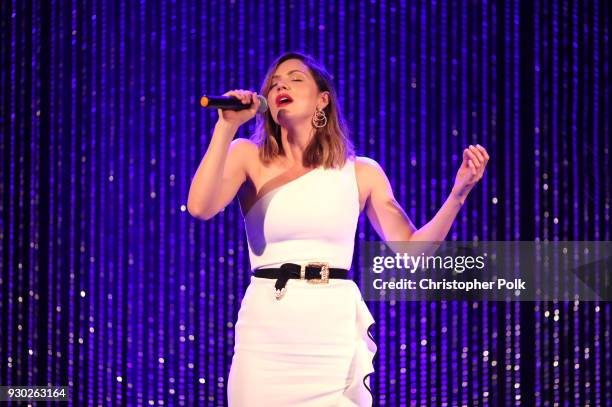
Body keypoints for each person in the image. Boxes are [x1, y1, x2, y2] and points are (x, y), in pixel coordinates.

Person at [187, 51, 489, 407]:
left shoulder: (361, 172)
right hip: (266, 339)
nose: (281, 84)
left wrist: (458, 194)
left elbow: (411, 250)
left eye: (296, 79)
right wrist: (226, 126)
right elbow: (200, 206)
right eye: (274, 83)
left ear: (323, 99)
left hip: (332, 339)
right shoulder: (247, 155)